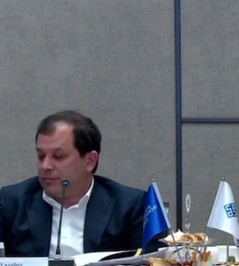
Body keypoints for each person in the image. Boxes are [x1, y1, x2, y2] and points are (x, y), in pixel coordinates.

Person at [0, 110, 148, 257]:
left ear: (90, 161)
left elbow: (147, 265)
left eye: (58, 156)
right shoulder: (12, 202)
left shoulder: (130, 206)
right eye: (41, 156)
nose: (45, 166)